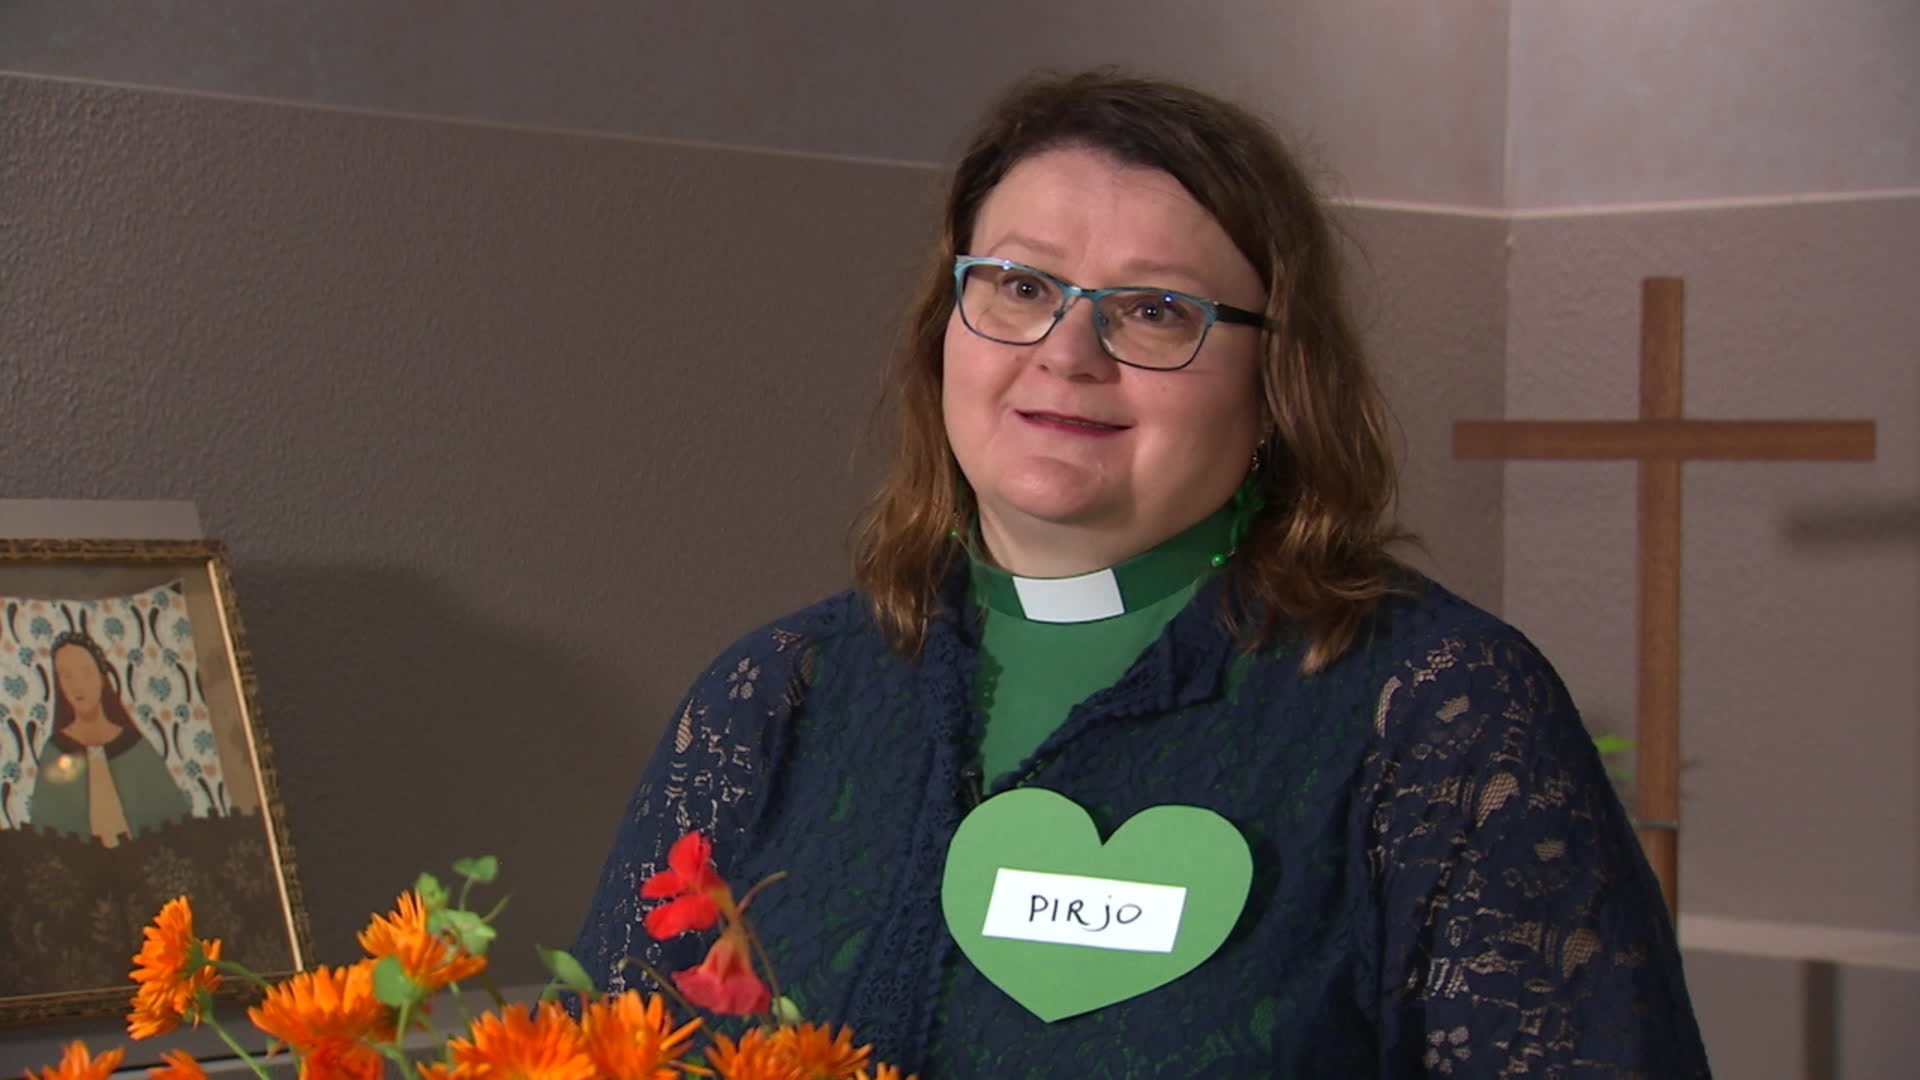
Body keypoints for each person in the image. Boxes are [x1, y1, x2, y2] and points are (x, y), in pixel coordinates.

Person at [572, 70, 1710, 1076]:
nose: (1067, 353)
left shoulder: (1437, 713)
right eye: (1020, 286)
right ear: (942, 330)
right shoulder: (777, 695)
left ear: (1279, 384)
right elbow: (603, 1052)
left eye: (1156, 311)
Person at [30, 630, 192, 845]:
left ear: (101, 676)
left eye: (86, 672)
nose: (78, 685)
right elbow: (46, 831)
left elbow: (172, 820)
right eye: (66, 676)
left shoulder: (135, 747)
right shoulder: (56, 750)